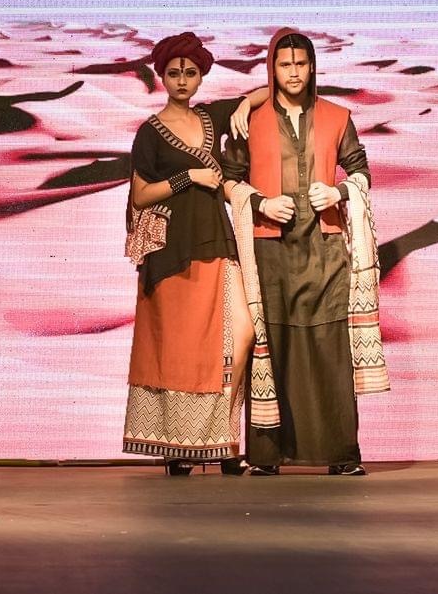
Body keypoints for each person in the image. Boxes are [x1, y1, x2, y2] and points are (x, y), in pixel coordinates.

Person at [222, 28, 389, 476]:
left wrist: (338, 193)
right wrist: (260, 203)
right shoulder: (250, 121)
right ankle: (266, 456)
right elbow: (228, 180)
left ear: (312, 67)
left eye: (300, 64)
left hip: (325, 249)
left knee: (330, 347)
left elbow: (361, 171)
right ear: (272, 68)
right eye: (284, 64)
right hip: (270, 252)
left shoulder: (337, 116)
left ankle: (341, 455)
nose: (293, 72)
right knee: (273, 346)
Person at [122, 31, 267, 474]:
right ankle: (181, 449)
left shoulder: (211, 117)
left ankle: (222, 439)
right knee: (183, 349)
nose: (182, 80)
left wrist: (241, 106)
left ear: (201, 76)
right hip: (173, 250)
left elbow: (267, 92)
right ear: (161, 77)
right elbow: (141, 195)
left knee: (240, 334)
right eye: (173, 73)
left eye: (190, 72)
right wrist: (190, 177)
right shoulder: (150, 132)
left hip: (217, 239)